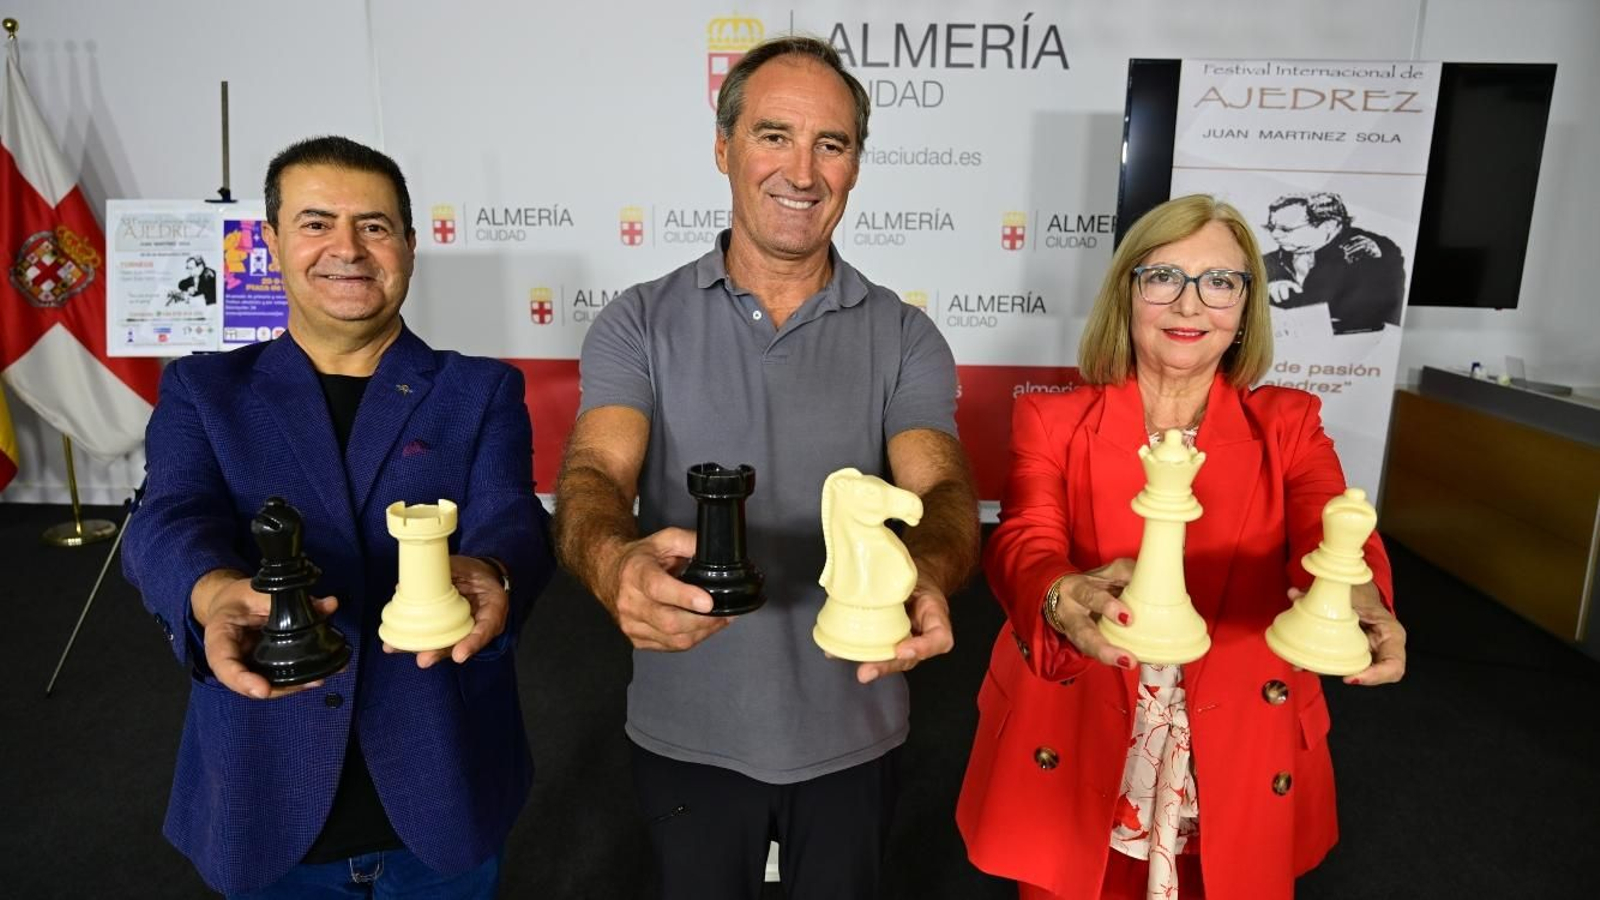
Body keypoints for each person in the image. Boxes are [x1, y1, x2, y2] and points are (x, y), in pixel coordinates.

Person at [552, 36, 979, 900]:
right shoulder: (638, 322)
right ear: (724, 147)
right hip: (688, 735)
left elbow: (941, 490)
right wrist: (612, 564)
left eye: (833, 143)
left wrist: (928, 573)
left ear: (857, 164)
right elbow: (595, 472)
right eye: (774, 134)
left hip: (857, 729)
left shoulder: (904, 335)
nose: (804, 170)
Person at [122, 136, 555, 898]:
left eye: (376, 226)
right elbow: (168, 519)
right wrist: (212, 591)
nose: (347, 249)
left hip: (442, 795)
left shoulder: (480, 390)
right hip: (264, 801)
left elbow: (512, 517)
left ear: (411, 248)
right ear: (274, 243)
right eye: (317, 222)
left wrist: (489, 572)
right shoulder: (203, 391)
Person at [955, 194, 1407, 900]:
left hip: (1232, 745)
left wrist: (1358, 598)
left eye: (1220, 282)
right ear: (1128, 293)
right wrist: (1058, 593)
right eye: (1164, 277)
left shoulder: (1289, 423)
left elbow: (1333, 529)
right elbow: (1025, 537)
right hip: (1085, 727)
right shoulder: (1052, 419)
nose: (1191, 305)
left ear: (1247, 305)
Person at [1261, 191, 1406, 335]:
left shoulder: (1373, 251)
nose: (1275, 235)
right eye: (1271, 228)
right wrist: (1269, 283)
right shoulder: (1271, 260)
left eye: (1286, 229)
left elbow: (1373, 316)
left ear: (1328, 225)